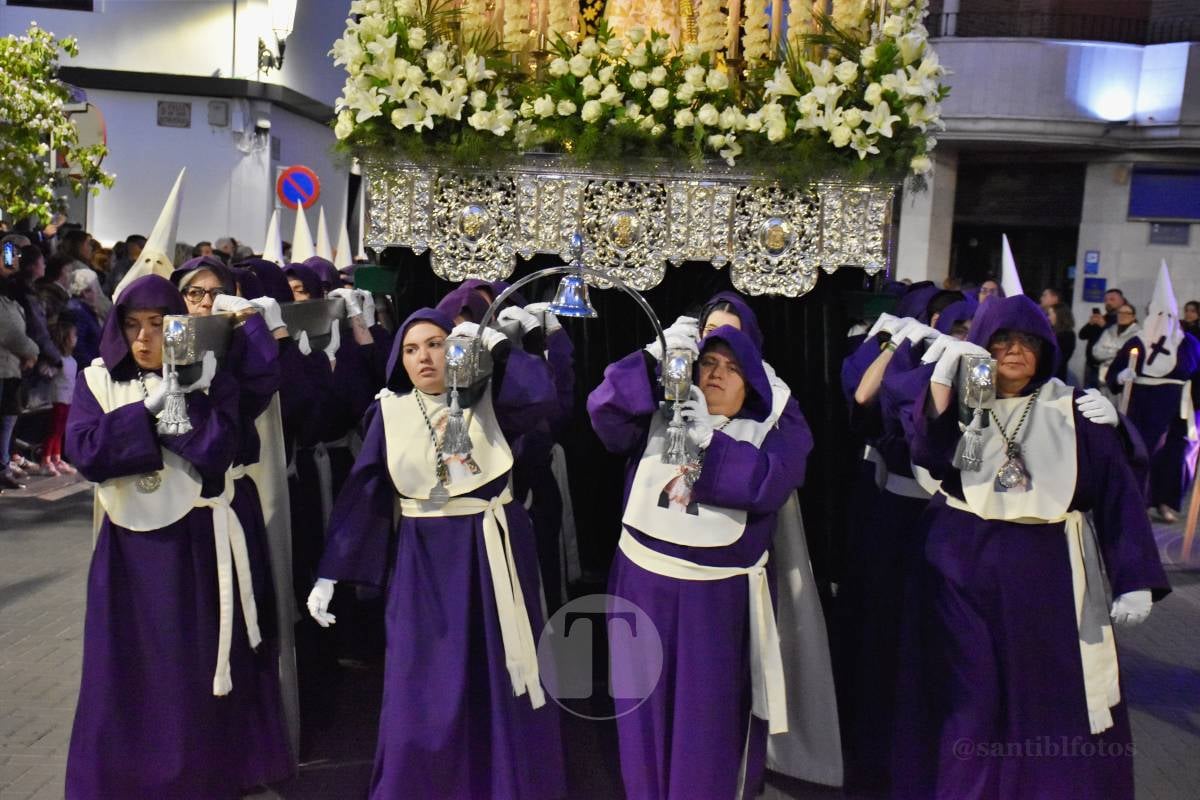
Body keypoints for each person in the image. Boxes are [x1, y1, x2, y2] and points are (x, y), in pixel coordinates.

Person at [904, 294, 1169, 800]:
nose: (1014, 350)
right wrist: (944, 386)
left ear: (1045, 350)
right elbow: (947, 463)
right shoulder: (976, 398)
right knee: (972, 699)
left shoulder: (1072, 408)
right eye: (1002, 339)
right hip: (966, 573)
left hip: (1049, 575)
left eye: (1027, 341)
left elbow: (1117, 491)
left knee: (1048, 699)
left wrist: (1134, 579)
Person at [306, 307, 567, 799]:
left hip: (494, 554)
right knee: (421, 683)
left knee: (500, 673)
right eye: (411, 348)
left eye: (435, 344)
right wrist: (330, 574)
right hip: (424, 561)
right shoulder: (389, 411)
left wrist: (500, 347)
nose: (424, 357)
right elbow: (364, 493)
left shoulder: (494, 399)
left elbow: (544, 397)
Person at [64, 274, 292, 797]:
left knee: (189, 673)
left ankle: (199, 775)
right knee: (126, 671)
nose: (145, 339)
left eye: (159, 325)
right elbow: (86, 452)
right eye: (133, 326)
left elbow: (222, 447)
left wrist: (178, 410)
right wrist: (145, 411)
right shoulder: (98, 381)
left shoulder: (210, 377)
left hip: (194, 547)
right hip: (129, 552)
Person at [588, 321, 811, 800]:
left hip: (715, 601)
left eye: (732, 369)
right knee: (639, 709)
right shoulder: (660, 409)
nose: (716, 374)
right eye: (709, 362)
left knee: (705, 723)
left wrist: (711, 442)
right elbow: (602, 409)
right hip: (642, 584)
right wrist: (652, 354)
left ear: (751, 384)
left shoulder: (769, 428)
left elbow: (769, 486)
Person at [1107, 265, 1200, 523]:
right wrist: (1120, 376)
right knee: (1138, 452)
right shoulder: (1136, 342)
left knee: (1172, 457)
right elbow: (1115, 373)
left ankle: (1164, 502)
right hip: (1141, 406)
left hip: (1175, 409)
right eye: (1157, 314)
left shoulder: (1189, 343)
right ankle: (1135, 500)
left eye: (1167, 314)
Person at [0, 242, 39, 489]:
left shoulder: (12, 289)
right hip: (4, 365)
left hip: (9, 366)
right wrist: (32, 351)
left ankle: (3, 466)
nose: (13, 259)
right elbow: (10, 329)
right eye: (7, 253)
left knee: (7, 420)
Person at [40, 319, 78, 476]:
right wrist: (46, 369)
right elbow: (48, 373)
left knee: (61, 430)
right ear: (66, 338)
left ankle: (57, 457)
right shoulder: (60, 361)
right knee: (54, 430)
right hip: (58, 399)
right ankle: (45, 460)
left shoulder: (72, 361)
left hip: (68, 399)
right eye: (74, 335)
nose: (76, 338)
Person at [1079, 288, 1126, 388]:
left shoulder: (1124, 320)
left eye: (1112, 299)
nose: (1108, 302)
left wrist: (1104, 325)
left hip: (1108, 367)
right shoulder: (1102, 317)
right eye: (1106, 300)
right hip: (1091, 366)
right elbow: (1082, 335)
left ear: (1122, 301)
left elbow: (1118, 340)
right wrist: (1090, 324)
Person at [1092, 303, 1140, 389]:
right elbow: (1096, 352)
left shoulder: (1138, 335)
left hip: (1123, 380)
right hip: (1103, 378)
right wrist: (1117, 352)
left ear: (1133, 316)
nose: (1122, 315)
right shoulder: (1109, 331)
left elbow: (1129, 356)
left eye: (1126, 313)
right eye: (1120, 313)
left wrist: (1108, 351)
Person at [68, 266, 105, 368]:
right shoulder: (78, 312)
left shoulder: (85, 310)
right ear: (85, 292)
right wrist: (95, 368)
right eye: (95, 289)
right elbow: (79, 348)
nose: (98, 293)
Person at [1046, 301, 1076, 382]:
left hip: (1056, 376)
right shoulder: (1051, 332)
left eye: (1051, 314)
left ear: (1059, 315)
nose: (1048, 317)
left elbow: (1060, 359)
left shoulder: (1067, 335)